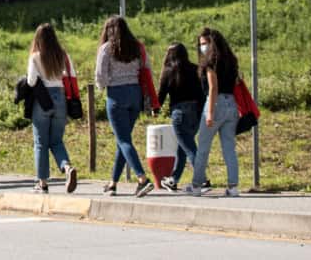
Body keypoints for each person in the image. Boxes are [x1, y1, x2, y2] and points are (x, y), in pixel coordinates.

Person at [94, 15, 156, 196]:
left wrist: (102, 86)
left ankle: (142, 178)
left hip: (116, 95)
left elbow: (100, 76)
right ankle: (112, 183)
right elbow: (147, 68)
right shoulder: (137, 47)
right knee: (123, 140)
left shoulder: (106, 49)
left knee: (123, 140)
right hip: (135, 94)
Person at [185, 27, 242, 197]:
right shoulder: (232, 60)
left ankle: (196, 185)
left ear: (212, 43)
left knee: (203, 147)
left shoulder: (211, 62)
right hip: (232, 105)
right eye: (201, 44)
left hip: (215, 105)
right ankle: (233, 187)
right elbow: (237, 82)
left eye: (204, 43)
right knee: (229, 148)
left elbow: (213, 88)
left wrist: (209, 113)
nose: (202, 47)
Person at [26, 23, 79, 194]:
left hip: (43, 100)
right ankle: (67, 167)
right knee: (56, 141)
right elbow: (72, 76)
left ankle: (42, 182)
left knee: (40, 142)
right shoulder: (63, 55)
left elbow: (31, 81)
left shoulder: (35, 56)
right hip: (61, 98)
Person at [157, 42, 203, 192]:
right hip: (196, 112)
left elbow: (161, 95)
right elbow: (202, 93)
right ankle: (174, 179)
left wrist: (155, 109)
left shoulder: (168, 71)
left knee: (189, 149)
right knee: (183, 148)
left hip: (179, 113)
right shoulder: (196, 69)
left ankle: (202, 180)